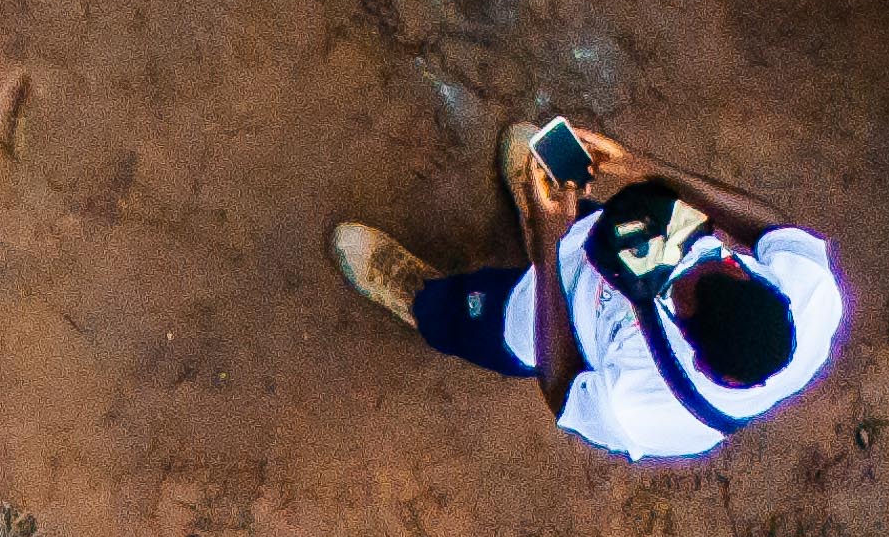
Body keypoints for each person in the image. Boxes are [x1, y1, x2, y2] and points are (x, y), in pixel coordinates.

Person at [335, 111, 850, 467]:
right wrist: (640, 166)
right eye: (717, 259)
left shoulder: (645, 412)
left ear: (698, 356)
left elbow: (560, 389)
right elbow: (776, 232)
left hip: (552, 317)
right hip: (604, 242)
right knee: (590, 219)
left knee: (471, 317)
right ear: (752, 278)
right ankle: (545, 199)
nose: (688, 261)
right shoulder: (813, 298)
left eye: (677, 296)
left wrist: (547, 244)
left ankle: (418, 297)